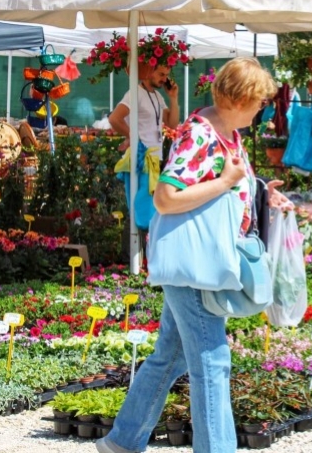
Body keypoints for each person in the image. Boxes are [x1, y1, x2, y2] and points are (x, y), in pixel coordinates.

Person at [96, 57, 291, 453]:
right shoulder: (201, 135)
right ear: (240, 99)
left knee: (170, 356)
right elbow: (166, 198)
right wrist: (225, 182)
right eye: (260, 103)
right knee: (212, 361)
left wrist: (259, 191)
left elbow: (230, 184)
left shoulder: (226, 132)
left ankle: (122, 441)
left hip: (200, 264)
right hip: (196, 267)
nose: (263, 111)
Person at [109, 65, 180, 229]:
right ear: (148, 71)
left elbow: (172, 123)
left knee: (148, 212)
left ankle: (144, 248)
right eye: (161, 74)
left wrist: (174, 98)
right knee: (143, 216)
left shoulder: (157, 96)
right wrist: (134, 138)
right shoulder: (135, 93)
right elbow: (114, 119)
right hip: (141, 158)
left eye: (166, 75)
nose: (164, 79)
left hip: (153, 159)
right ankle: (141, 246)